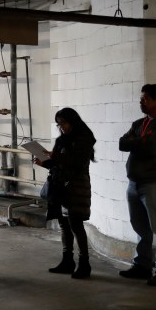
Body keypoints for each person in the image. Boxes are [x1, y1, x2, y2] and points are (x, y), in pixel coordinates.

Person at [118, 84, 156, 286]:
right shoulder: (139, 123)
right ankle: (143, 266)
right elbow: (121, 143)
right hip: (134, 183)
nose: (141, 101)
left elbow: (153, 149)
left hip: (155, 183)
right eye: (141, 98)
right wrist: (140, 140)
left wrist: (136, 141)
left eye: (145, 99)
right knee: (141, 227)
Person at [34, 108, 96, 279]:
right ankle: (67, 260)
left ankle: (85, 263)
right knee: (64, 223)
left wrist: (54, 156)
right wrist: (44, 162)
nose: (61, 127)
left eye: (63, 123)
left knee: (75, 223)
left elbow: (76, 162)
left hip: (76, 185)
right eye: (58, 124)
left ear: (72, 121)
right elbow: (57, 163)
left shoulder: (84, 137)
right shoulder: (62, 139)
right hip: (60, 184)